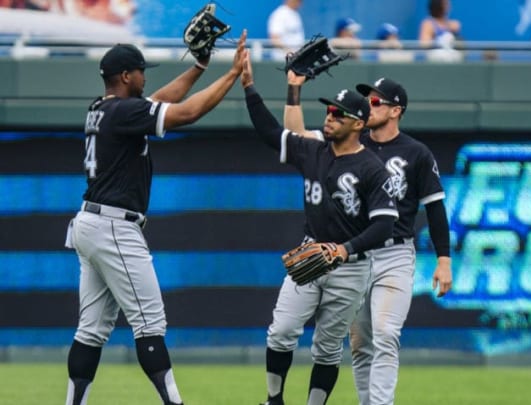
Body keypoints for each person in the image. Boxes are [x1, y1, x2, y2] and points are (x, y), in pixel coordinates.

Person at [63, 31, 248, 405]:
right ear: (127, 76)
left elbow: (161, 100)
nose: (145, 78)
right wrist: (231, 75)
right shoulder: (125, 112)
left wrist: (199, 67)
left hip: (90, 223)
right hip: (114, 225)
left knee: (91, 330)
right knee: (150, 323)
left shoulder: (102, 108)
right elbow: (189, 112)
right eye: (141, 72)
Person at [240, 50, 399, 405]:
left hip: (350, 266)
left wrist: (343, 250)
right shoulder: (312, 150)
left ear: (358, 124)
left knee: (327, 348)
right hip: (311, 254)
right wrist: (250, 85)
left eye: (338, 114)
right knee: (281, 331)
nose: (329, 117)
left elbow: (385, 226)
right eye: (328, 110)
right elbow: (269, 132)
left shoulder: (372, 168)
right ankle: (274, 400)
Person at [283, 72, 453, 405]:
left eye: (377, 101)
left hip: (394, 254)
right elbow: (296, 135)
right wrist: (294, 89)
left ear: (396, 110)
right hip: (356, 257)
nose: (369, 106)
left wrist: (444, 259)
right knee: (361, 342)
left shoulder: (416, 152)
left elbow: (434, 207)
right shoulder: (346, 141)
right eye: (367, 100)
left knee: (387, 334)